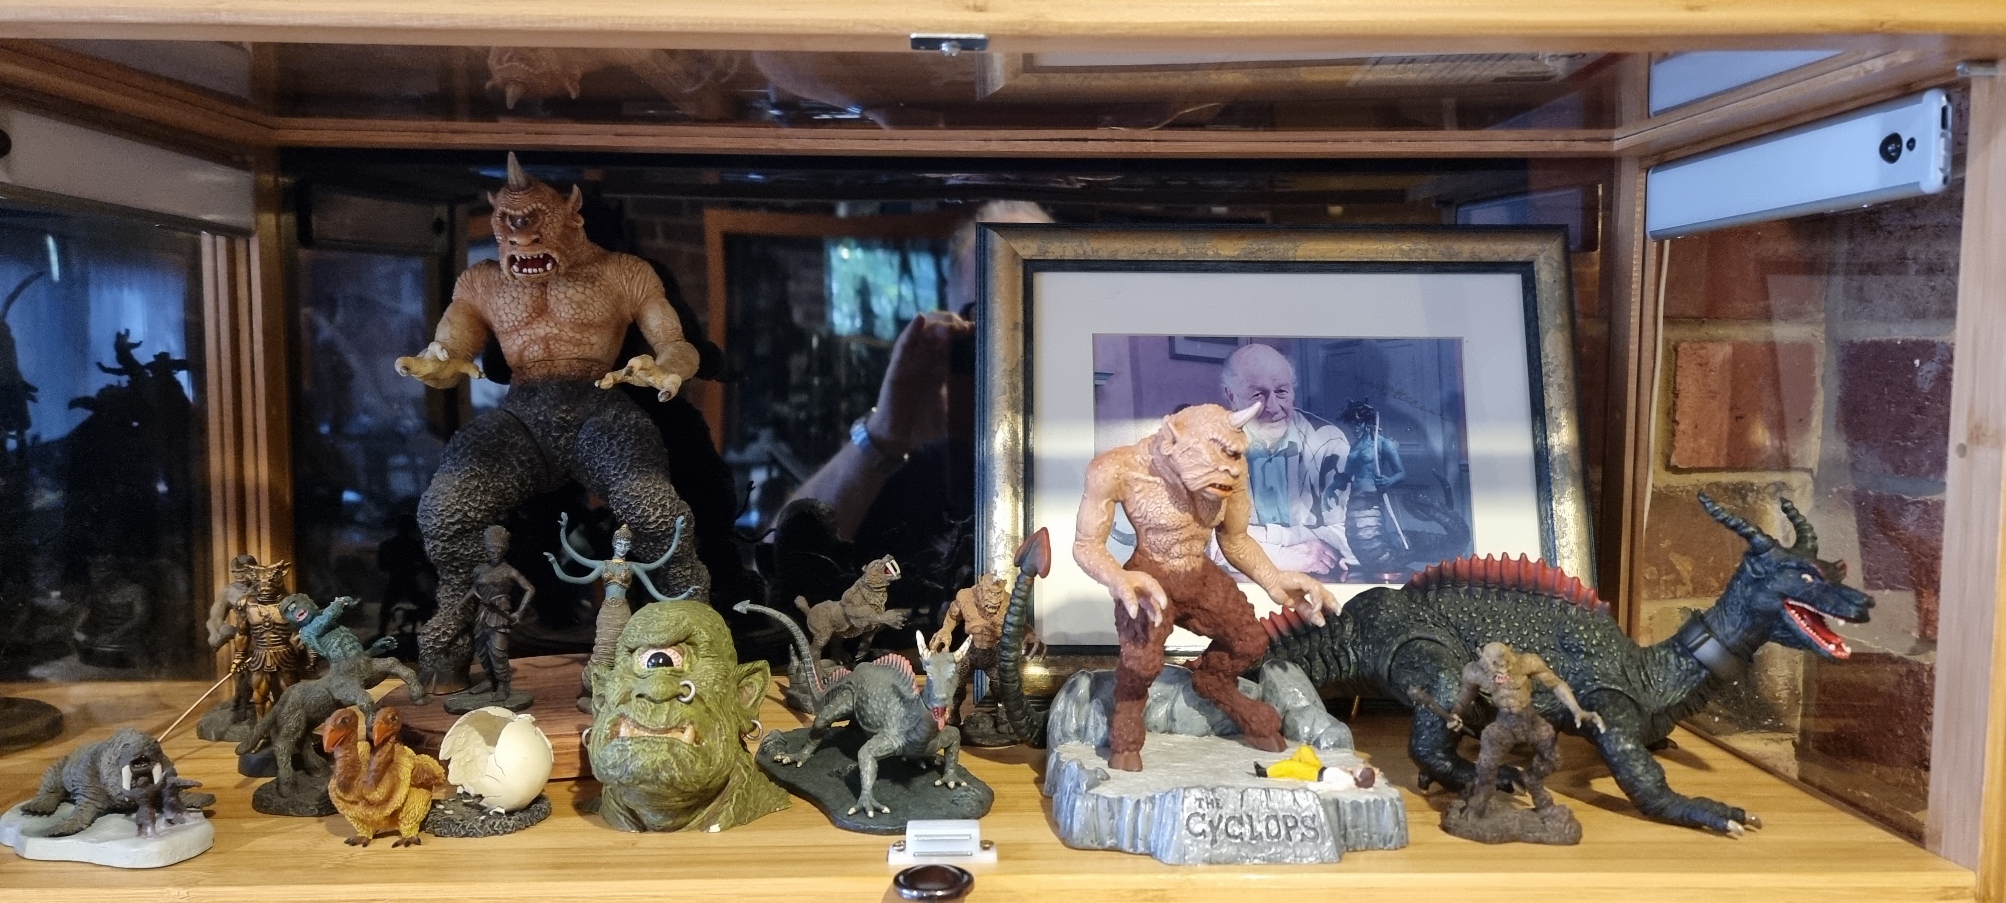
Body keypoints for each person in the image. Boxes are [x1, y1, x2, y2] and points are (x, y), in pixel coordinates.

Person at [1215, 343, 1355, 578]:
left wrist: (1255, 539)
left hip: (1318, 579)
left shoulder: (1328, 441)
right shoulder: (1210, 447)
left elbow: (1352, 534)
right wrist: (1280, 557)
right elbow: (1193, 538)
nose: (1273, 407)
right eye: (1257, 394)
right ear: (1232, 397)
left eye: (1281, 391)